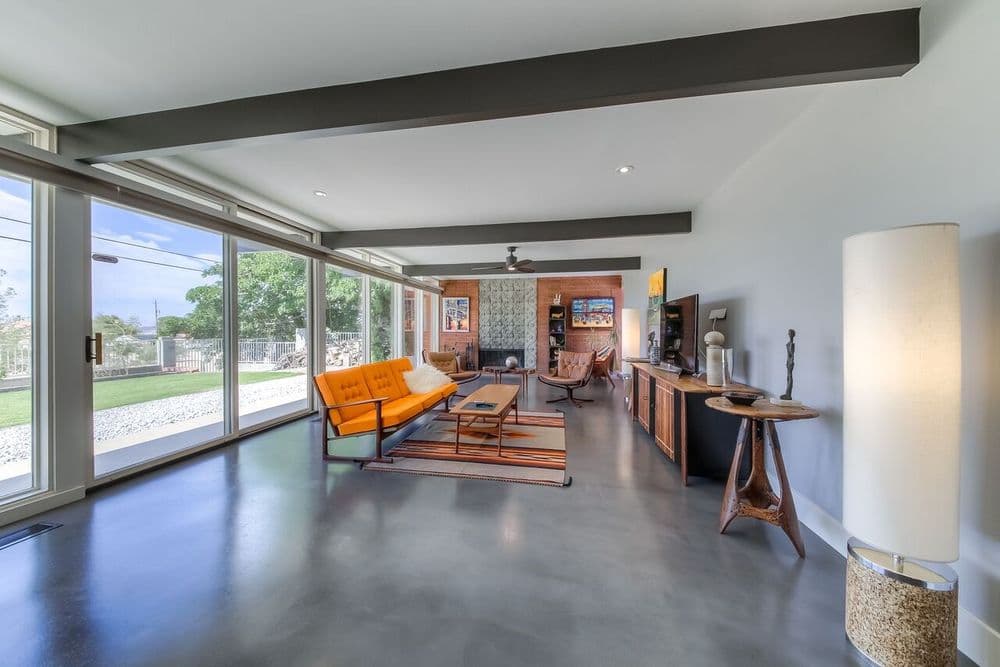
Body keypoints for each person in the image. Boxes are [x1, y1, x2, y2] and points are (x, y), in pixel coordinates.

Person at [781, 329, 796, 400]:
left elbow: (792, 355)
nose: (789, 334)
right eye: (789, 333)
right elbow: (788, 355)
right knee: (788, 377)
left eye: (790, 333)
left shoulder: (792, 344)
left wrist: (791, 361)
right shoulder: (789, 343)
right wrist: (787, 361)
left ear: (793, 335)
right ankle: (787, 393)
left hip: (790, 362)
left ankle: (788, 394)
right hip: (788, 361)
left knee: (790, 376)